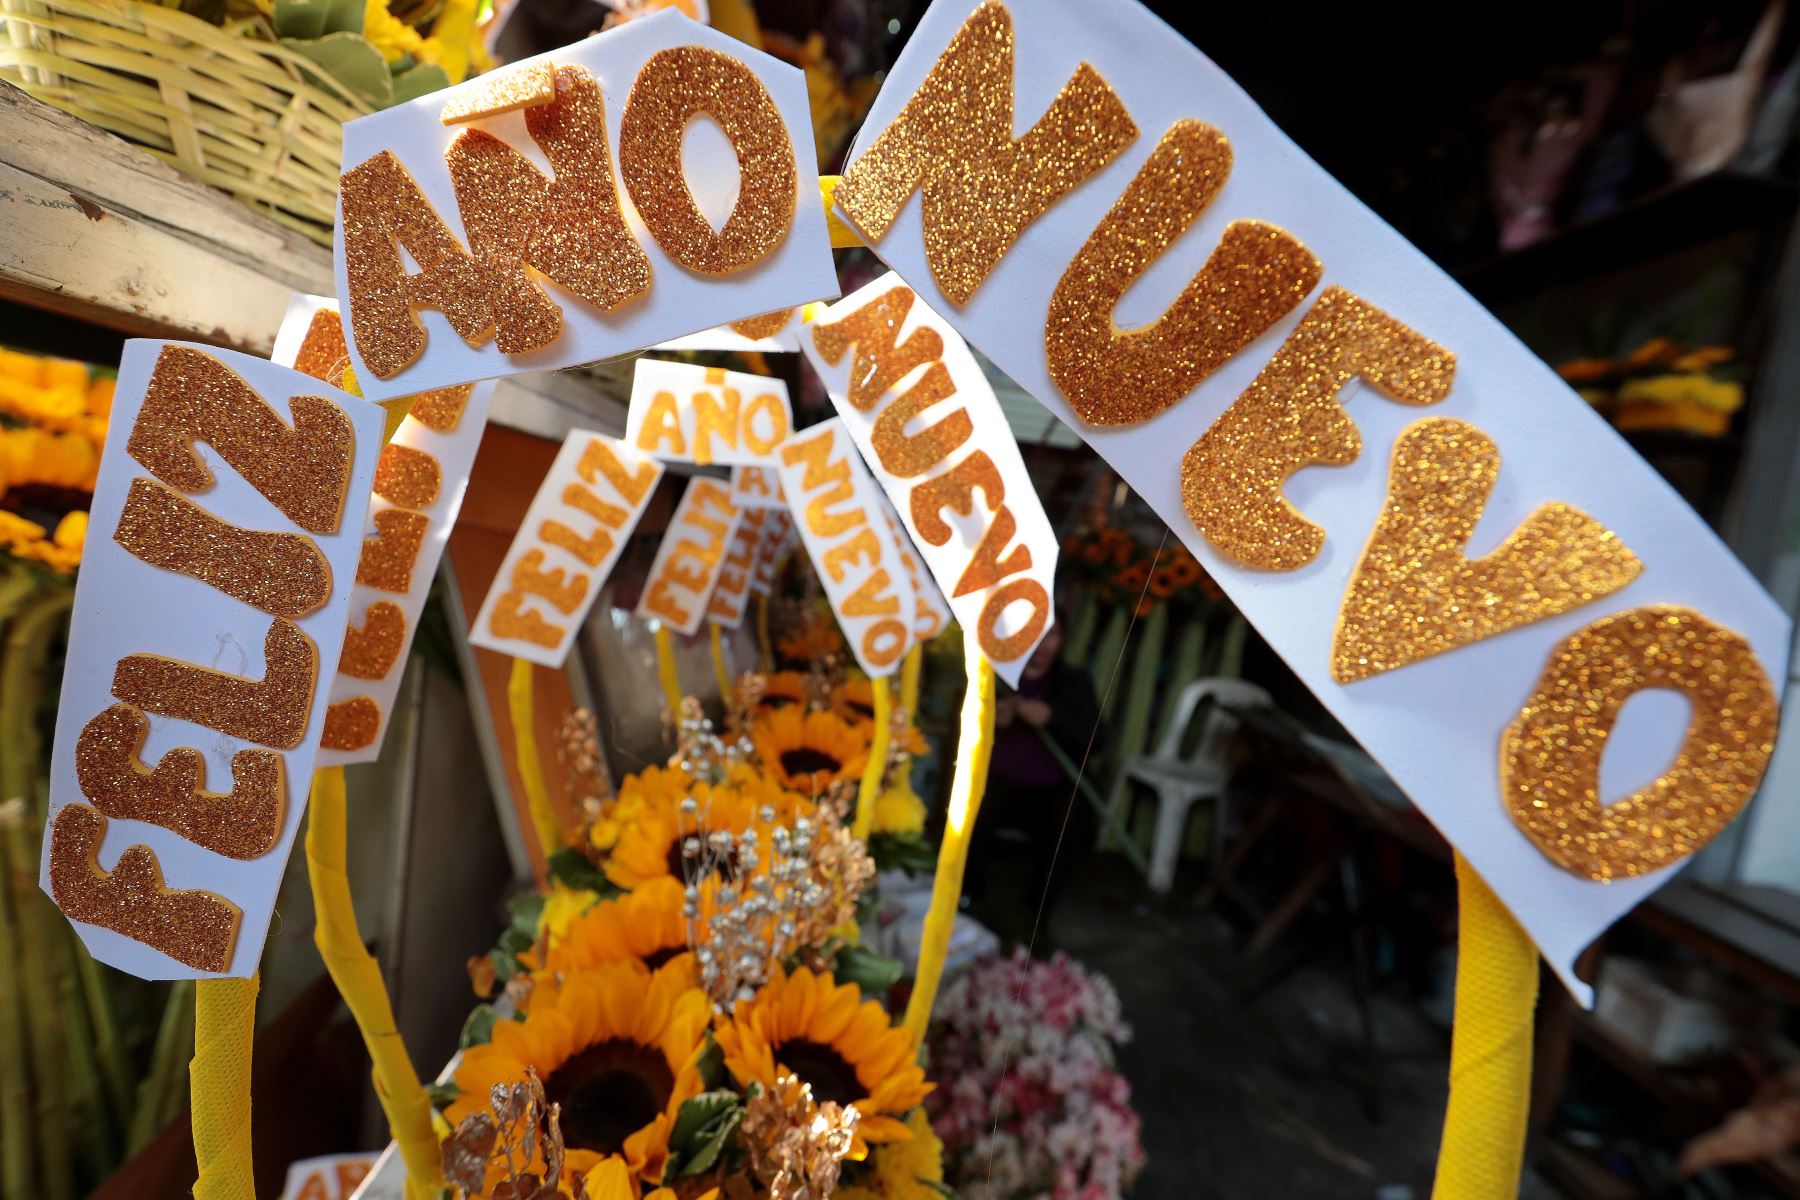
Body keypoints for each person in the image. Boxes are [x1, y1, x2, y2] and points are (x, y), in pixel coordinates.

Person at [967, 617, 1101, 949]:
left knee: (1071, 816)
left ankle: (1036, 915)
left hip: (1049, 795)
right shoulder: (994, 674)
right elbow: (961, 723)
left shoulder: (1074, 683)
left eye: (1052, 635)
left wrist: (1053, 718)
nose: (1042, 647)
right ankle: (968, 898)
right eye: (1035, 635)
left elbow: (1098, 741)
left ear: (1063, 639)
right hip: (998, 787)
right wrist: (989, 717)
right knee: (973, 806)